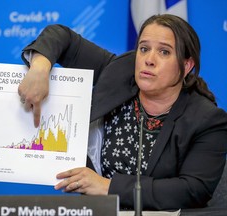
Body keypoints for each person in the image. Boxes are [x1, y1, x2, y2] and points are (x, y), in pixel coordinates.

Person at [18, 14, 227, 210]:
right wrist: (39, 68)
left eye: (164, 52)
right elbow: (61, 36)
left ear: (186, 65)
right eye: (144, 49)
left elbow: (193, 190)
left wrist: (107, 187)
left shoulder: (207, 120)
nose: (149, 59)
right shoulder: (119, 72)